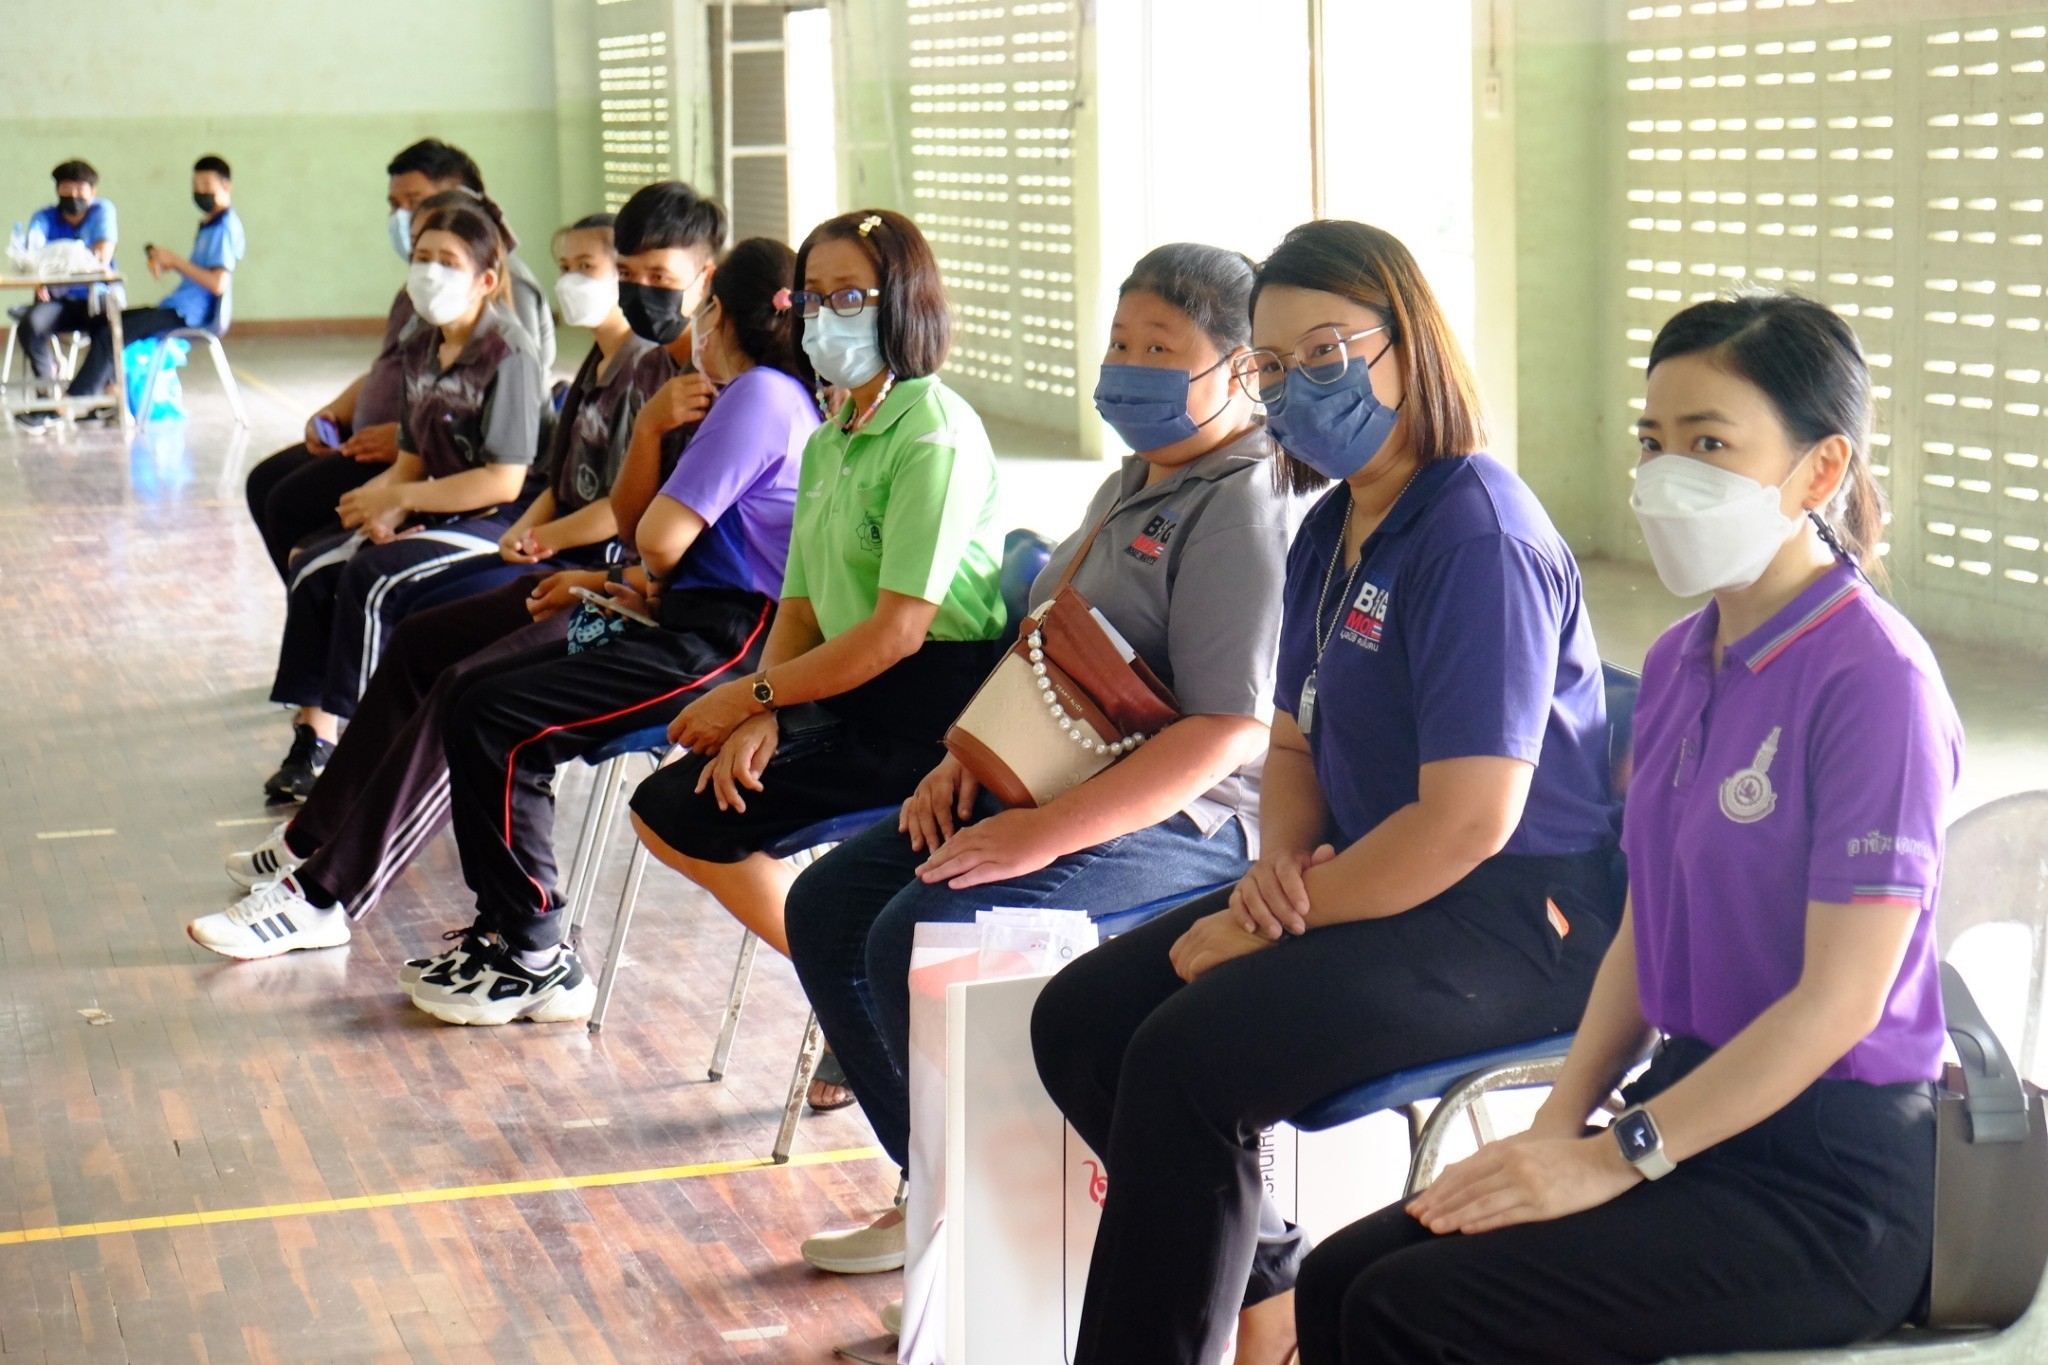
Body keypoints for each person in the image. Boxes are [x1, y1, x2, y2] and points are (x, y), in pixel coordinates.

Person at [1293, 293, 1964, 1365]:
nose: (1664, 472)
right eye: (1652, 440)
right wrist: (1561, 1124)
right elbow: (1641, 935)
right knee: (1340, 1279)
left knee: (1406, 1311)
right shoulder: (1677, 662)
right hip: (1691, 1111)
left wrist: (1614, 1160)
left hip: (1829, 1178)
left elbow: (1838, 1004)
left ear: (1819, 471)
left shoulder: (1871, 682)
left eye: (1708, 442)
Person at [1028, 219, 1622, 1365]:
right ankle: (1263, 1297)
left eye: (1326, 352)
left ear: (1410, 345)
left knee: (1185, 1061)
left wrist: (1273, 922)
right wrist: (1274, 878)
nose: (1297, 385)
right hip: (1359, 879)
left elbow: (1469, 822)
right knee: (1086, 1023)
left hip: (1511, 919)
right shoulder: (1331, 526)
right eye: (1270, 363)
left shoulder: (1473, 532)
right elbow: (1289, 748)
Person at [783, 243, 1308, 1280]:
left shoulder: (1242, 502)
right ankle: (934, 1190)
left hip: (1199, 820)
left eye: (1161, 347)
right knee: (832, 911)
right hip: (1066, 773)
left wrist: (1035, 834)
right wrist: (961, 761)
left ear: (1243, 370)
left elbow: (1227, 732)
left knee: (925, 930)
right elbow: (1045, 641)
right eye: (1120, 341)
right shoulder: (1137, 479)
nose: (1127, 367)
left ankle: (1003, 1242)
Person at [625, 208, 1006, 982]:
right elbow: (799, 604)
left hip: (930, 710)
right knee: (672, 805)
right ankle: (849, 977)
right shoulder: (832, 434)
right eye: (811, 297)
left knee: (687, 811)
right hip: (844, 683)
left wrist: (753, 694)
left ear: (903, 302)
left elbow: (898, 633)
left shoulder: (932, 432)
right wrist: (763, 709)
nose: (824, 315)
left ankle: (852, 983)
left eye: (849, 296)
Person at [261, 195, 546, 801]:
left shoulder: (510, 354)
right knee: (313, 561)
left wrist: (405, 500)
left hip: (494, 517)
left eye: (448, 261)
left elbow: (504, 481)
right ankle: (316, 736)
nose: (430, 271)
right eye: (422, 257)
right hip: (437, 503)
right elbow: (411, 461)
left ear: (486, 279)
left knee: (372, 577)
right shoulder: (421, 344)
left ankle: (372, 757)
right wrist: (373, 502)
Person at [242, 140, 553, 594]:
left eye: (417, 203)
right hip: (403, 446)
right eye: (397, 207)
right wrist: (338, 409)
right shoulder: (422, 295)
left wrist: (407, 457)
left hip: (448, 462)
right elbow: (391, 368)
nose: (405, 220)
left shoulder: (504, 298)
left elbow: (502, 409)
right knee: (271, 490)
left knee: (296, 512)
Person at [65, 155, 248, 403]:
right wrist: (168, 260)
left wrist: (176, 261)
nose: (200, 191)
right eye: (196, 186)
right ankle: (113, 395)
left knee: (113, 333)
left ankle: (69, 403)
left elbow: (217, 283)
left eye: (207, 186)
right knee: (102, 322)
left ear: (226, 186)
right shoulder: (210, 224)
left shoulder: (225, 227)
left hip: (189, 315)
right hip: (176, 306)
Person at [12, 159, 117, 431]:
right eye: (66, 190)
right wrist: (42, 274)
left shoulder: (103, 211)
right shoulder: (44, 218)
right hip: (58, 301)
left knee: (112, 327)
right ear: (58, 191)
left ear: (92, 193)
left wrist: (56, 259)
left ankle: (103, 399)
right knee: (31, 326)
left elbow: (102, 255)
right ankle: (47, 398)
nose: (73, 197)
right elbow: (32, 256)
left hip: (95, 298)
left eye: (80, 191)